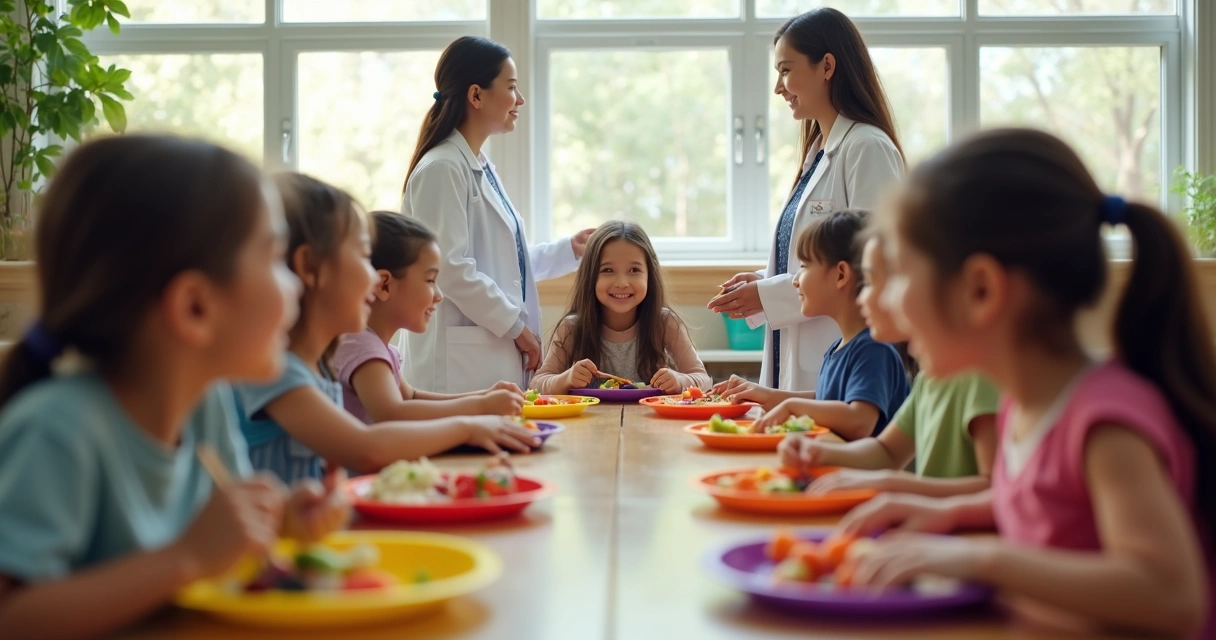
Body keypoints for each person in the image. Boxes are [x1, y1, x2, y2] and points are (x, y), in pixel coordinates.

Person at [837, 128, 1214, 637]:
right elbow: (1041, 503)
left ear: (980, 290)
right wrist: (945, 514)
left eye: (900, 272)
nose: (889, 300)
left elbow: (1170, 594)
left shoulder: (1105, 423)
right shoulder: (1027, 403)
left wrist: (984, 559)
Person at [0, 136, 347, 638]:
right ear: (194, 307)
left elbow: (217, 541)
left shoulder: (207, 406)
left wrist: (283, 520)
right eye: (273, 256)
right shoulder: (59, 430)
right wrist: (183, 559)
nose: (294, 284)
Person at [235, 173, 538, 485]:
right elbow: (367, 447)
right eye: (365, 258)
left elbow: (403, 401)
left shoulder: (322, 366)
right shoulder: (279, 372)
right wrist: (470, 423)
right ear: (310, 268)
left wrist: (481, 407)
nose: (374, 278)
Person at [707, 7, 904, 393]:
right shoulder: (818, 152)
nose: (778, 87)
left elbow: (869, 267)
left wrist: (767, 294)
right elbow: (822, 258)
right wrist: (767, 281)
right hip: (795, 359)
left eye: (785, 70)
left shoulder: (867, 148)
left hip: (842, 365)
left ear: (826, 66)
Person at [403, 35, 594, 392]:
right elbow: (450, 269)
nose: (519, 99)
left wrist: (569, 249)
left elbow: (507, 268)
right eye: (511, 87)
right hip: (455, 367)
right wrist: (515, 327)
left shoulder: (478, 166)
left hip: (485, 354)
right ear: (476, 95)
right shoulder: (442, 168)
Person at [780, 232, 999, 496]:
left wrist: (893, 486)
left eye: (871, 282)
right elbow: (886, 451)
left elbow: (997, 491)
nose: (861, 297)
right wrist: (819, 452)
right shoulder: (931, 377)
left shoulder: (981, 377)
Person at [332, 211, 525, 423]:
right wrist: (481, 406)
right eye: (431, 280)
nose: (439, 296)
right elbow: (393, 413)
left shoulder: (380, 349)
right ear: (384, 284)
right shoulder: (361, 346)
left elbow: (411, 398)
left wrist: (485, 395)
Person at [735, 211, 910, 440]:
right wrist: (766, 395)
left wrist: (793, 407)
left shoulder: (874, 350)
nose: (796, 279)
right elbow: (828, 402)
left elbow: (859, 421)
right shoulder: (839, 347)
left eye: (805, 266)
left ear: (840, 275)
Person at [531, 221, 711, 394]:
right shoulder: (571, 328)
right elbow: (537, 384)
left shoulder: (665, 322)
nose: (622, 283)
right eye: (608, 270)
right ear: (590, 276)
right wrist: (566, 379)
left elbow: (702, 379)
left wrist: (680, 381)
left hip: (652, 422)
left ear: (650, 275)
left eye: (634, 270)